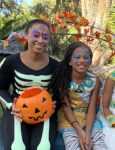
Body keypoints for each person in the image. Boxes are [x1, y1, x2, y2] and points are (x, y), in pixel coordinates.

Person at [0, 19, 59, 150]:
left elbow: (60, 92)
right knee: (17, 147)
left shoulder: (56, 66)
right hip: (17, 112)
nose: (40, 40)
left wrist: (55, 103)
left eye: (45, 37)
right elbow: (1, 88)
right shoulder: (10, 61)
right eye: (36, 35)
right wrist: (11, 105)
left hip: (44, 113)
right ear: (25, 35)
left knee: (43, 148)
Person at [50, 41, 108, 150]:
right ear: (70, 61)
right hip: (68, 118)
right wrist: (80, 132)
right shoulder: (63, 79)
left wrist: (87, 132)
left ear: (90, 61)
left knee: (100, 145)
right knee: (73, 146)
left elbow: (92, 107)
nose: (82, 60)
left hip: (88, 117)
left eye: (85, 58)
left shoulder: (95, 80)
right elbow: (66, 108)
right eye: (77, 57)